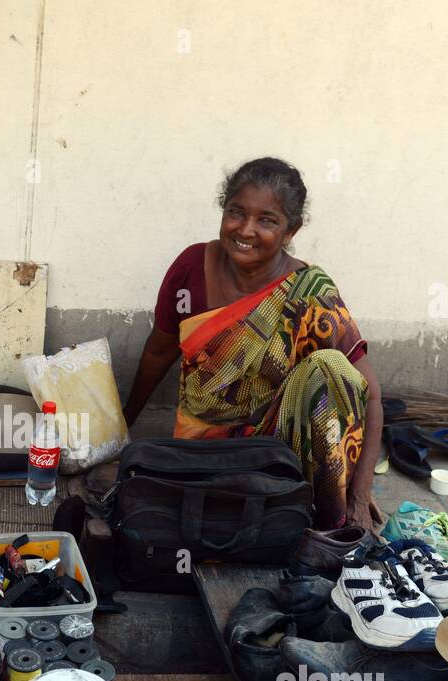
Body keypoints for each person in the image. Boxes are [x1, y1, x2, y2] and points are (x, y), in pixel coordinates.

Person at [122, 157, 382, 530]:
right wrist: (121, 425)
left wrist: (358, 493)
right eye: (236, 212)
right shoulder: (191, 267)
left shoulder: (310, 293)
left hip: (276, 454)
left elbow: (369, 394)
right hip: (200, 448)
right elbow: (159, 350)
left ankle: (329, 523)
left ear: (291, 230)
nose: (245, 230)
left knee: (332, 369)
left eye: (267, 220)